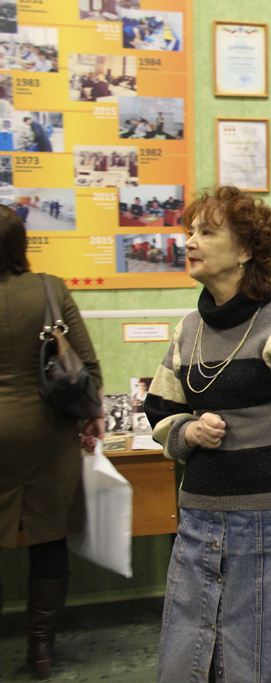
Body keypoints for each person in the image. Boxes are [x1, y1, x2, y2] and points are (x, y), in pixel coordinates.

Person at [145, 186, 271, 682]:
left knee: (255, 669)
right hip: (199, 522)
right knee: (186, 665)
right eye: (190, 232)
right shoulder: (188, 330)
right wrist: (188, 431)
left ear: (244, 251)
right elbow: (159, 409)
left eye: (206, 232)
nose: (190, 242)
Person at [0, 205, 104, 679]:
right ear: (22, 244)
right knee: (48, 537)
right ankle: (40, 650)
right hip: (47, 432)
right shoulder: (49, 289)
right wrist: (93, 416)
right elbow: (86, 364)